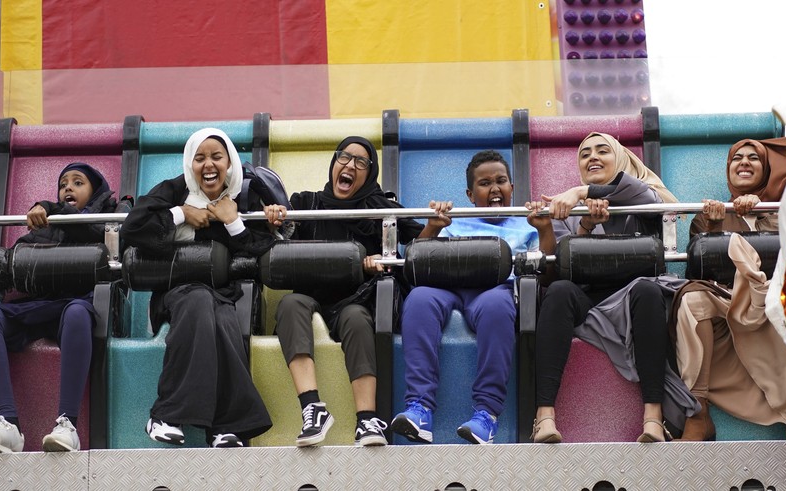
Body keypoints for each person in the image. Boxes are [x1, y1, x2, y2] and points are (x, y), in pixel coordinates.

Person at [262, 136, 444, 447]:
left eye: (361, 162)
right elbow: (280, 238)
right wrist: (274, 218)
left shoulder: (381, 209)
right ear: (334, 164)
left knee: (357, 320)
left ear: (369, 172)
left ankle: (367, 420)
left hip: (356, 298)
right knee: (290, 305)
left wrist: (433, 227)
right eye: (344, 158)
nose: (350, 166)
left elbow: (417, 247)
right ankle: (312, 408)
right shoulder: (306, 203)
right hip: (311, 295)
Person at [528, 132, 696, 444]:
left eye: (602, 151)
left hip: (634, 293)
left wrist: (580, 191)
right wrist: (585, 225)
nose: (592, 157)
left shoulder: (640, 197)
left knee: (647, 291)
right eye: (585, 153)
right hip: (589, 294)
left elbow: (642, 197)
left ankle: (654, 419)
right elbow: (562, 266)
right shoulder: (569, 210)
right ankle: (544, 417)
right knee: (559, 291)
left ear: (618, 159)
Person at [120, 128, 274, 448]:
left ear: (229, 162)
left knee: (224, 320)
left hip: (222, 296)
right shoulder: (175, 190)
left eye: (217, 157)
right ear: (190, 164)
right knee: (200, 300)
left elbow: (262, 250)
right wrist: (180, 213)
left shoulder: (243, 196)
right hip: (174, 295)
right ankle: (166, 415)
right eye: (199, 158)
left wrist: (233, 222)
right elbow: (133, 228)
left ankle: (225, 427)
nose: (208, 165)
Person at [389, 150, 549, 445]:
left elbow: (547, 262)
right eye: (484, 183)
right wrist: (434, 227)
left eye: (501, 181)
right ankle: (419, 410)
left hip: (494, 288)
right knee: (419, 300)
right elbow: (420, 259)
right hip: (449, 285)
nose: (494, 188)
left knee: (497, 308)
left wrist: (544, 227)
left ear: (512, 188)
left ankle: (486, 415)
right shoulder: (455, 221)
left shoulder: (525, 223)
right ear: (470, 193)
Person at [672, 136, 786, 441]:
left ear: (765, 170)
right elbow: (700, 268)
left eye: (754, 158)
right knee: (691, 300)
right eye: (737, 158)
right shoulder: (709, 214)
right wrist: (716, 225)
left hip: (774, 296)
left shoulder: (783, 212)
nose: (745, 163)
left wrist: (762, 212)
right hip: (729, 298)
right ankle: (697, 412)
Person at [0, 163, 117, 453]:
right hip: (38, 306)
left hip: (75, 307)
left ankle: (67, 426)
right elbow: (8, 267)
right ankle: (8, 423)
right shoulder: (43, 228)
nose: (68, 189)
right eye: (63, 184)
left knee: (76, 312)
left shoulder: (104, 219)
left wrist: (52, 208)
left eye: (78, 182)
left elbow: (95, 238)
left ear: (95, 191)